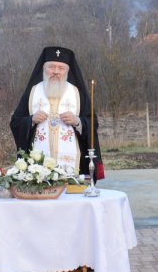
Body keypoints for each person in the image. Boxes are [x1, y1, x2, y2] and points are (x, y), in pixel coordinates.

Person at [10, 46, 102, 179]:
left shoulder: (77, 94)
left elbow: (93, 124)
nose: (56, 72)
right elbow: (15, 123)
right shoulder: (33, 92)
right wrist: (31, 120)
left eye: (61, 68)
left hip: (73, 165)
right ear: (44, 68)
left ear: (67, 71)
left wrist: (78, 121)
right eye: (51, 67)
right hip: (37, 169)